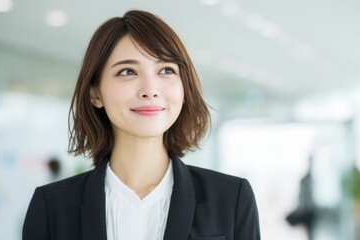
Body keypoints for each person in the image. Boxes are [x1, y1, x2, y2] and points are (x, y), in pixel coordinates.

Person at [22, 10, 260, 240]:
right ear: (96, 93)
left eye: (166, 70)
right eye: (128, 71)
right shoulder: (51, 206)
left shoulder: (231, 199)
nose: (150, 90)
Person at [286, 155, 316, 240]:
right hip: (309, 211)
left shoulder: (304, 180)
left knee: (310, 233)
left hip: (309, 211)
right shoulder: (304, 180)